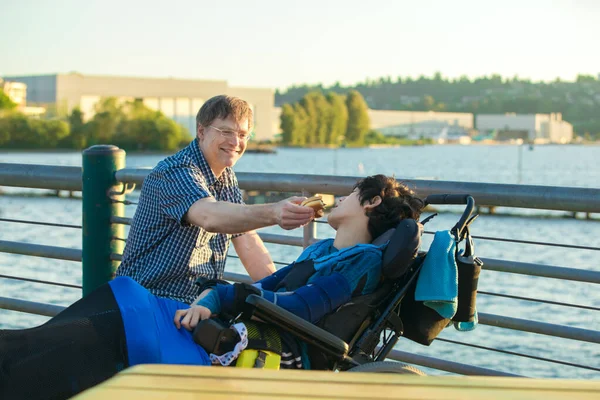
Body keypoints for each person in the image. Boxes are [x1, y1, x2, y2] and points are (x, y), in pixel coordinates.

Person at [0, 175, 424, 400]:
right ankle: (22, 351)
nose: (342, 197)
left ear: (369, 203)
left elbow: (302, 308)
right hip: (253, 322)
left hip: (280, 346)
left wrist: (235, 297)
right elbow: (269, 284)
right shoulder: (323, 252)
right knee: (126, 294)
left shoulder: (360, 263)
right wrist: (211, 298)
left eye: (352, 193)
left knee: (114, 331)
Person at [116, 95, 317, 303]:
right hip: (148, 300)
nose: (235, 142)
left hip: (196, 304)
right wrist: (274, 212)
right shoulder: (175, 172)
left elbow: (247, 240)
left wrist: (281, 295)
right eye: (226, 132)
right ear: (201, 131)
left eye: (242, 134)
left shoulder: (226, 176)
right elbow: (209, 216)